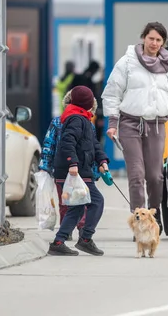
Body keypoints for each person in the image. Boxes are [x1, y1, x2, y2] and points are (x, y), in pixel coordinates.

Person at [101, 22, 168, 237]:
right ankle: (139, 224)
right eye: (151, 38)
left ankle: (154, 218)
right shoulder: (127, 62)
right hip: (130, 124)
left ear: (163, 42)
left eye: (159, 40)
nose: (155, 43)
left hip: (157, 125)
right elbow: (112, 93)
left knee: (155, 176)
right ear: (143, 38)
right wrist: (112, 124)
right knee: (137, 175)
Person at [48, 86, 110, 256]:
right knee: (96, 201)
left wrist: (102, 160)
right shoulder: (76, 119)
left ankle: (58, 243)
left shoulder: (83, 119)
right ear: (88, 104)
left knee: (76, 208)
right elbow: (67, 142)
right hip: (77, 171)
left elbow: (94, 145)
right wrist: (72, 164)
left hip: (76, 170)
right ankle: (85, 239)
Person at [38, 89, 101, 241]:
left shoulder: (83, 122)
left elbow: (92, 148)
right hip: (69, 169)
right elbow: (52, 143)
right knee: (76, 201)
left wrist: (99, 164)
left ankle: (72, 231)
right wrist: (45, 167)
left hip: (69, 169)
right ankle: (73, 232)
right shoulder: (64, 122)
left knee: (72, 201)